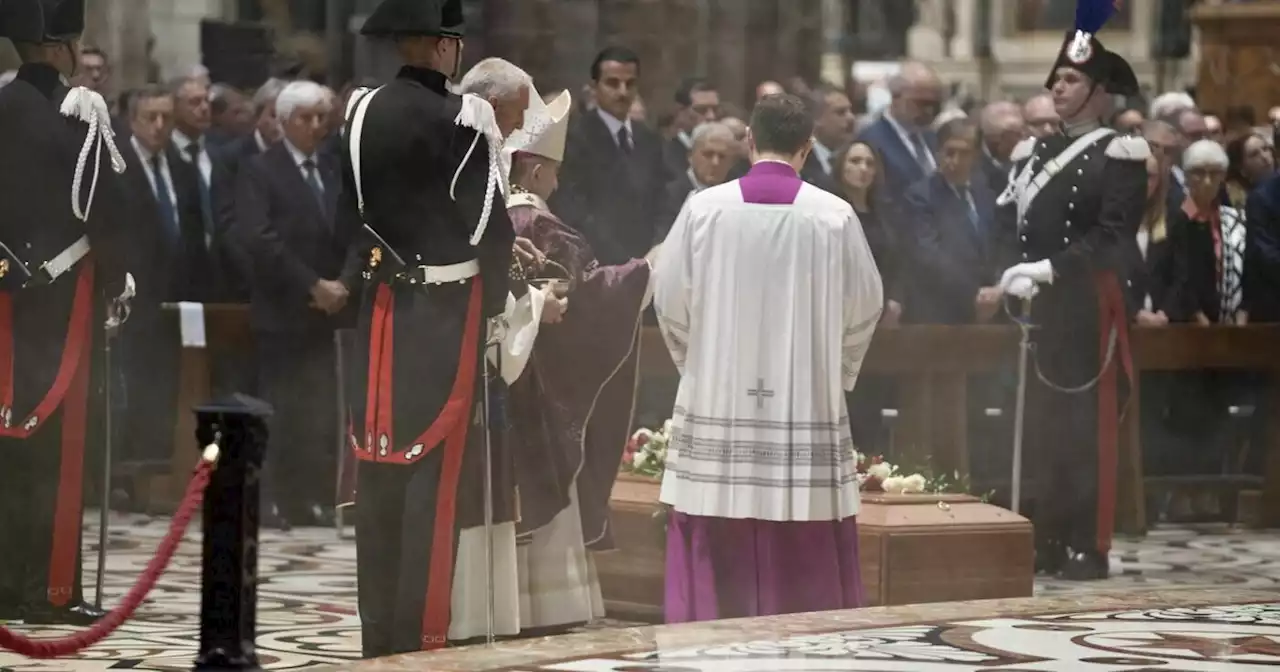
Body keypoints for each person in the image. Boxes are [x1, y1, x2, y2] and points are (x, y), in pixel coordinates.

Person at [652, 94, 883, 623]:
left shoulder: (703, 209)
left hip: (720, 400)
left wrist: (701, 367)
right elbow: (866, 304)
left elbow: (667, 298)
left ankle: (706, 642)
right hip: (803, 405)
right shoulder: (835, 216)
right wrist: (835, 372)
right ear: (808, 147)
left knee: (714, 519)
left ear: (749, 142)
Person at [338, 0, 517, 656]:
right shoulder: (464, 117)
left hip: (379, 311)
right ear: (445, 47)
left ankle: (376, 636)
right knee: (432, 482)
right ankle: (419, 639)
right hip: (443, 315)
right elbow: (486, 229)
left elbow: (344, 218)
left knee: (377, 469)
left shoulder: (358, 112)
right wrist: (495, 301)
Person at [996, 26, 1149, 581]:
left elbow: (1113, 235)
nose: (1058, 88)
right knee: (1043, 426)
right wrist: (1013, 272)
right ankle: (1048, 534)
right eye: (1056, 79)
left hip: (1087, 306)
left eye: (1071, 79)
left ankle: (1090, 540)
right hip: (1040, 312)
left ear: (1100, 90)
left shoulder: (1121, 152)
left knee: (1088, 427)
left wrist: (1048, 269)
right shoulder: (1033, 154)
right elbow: (1012, 227)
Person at [0, 0, 132, 624]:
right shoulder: (78, 111)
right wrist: (114, 283)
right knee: (60, 449)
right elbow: (105, 214)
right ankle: (51, 591)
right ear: (61, 48)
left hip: (4, 304)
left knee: (7, 449)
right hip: (60, 305)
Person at [504, 87, 652, 635]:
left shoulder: (496, 219)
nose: (559, 183)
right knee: (549, 484)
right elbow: (585, 294)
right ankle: (551, 605)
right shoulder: (540, 225)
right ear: (538, 170)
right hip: (548, 382)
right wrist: (643, 272)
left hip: (512, 372)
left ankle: (513, 605)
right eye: (556, 172)